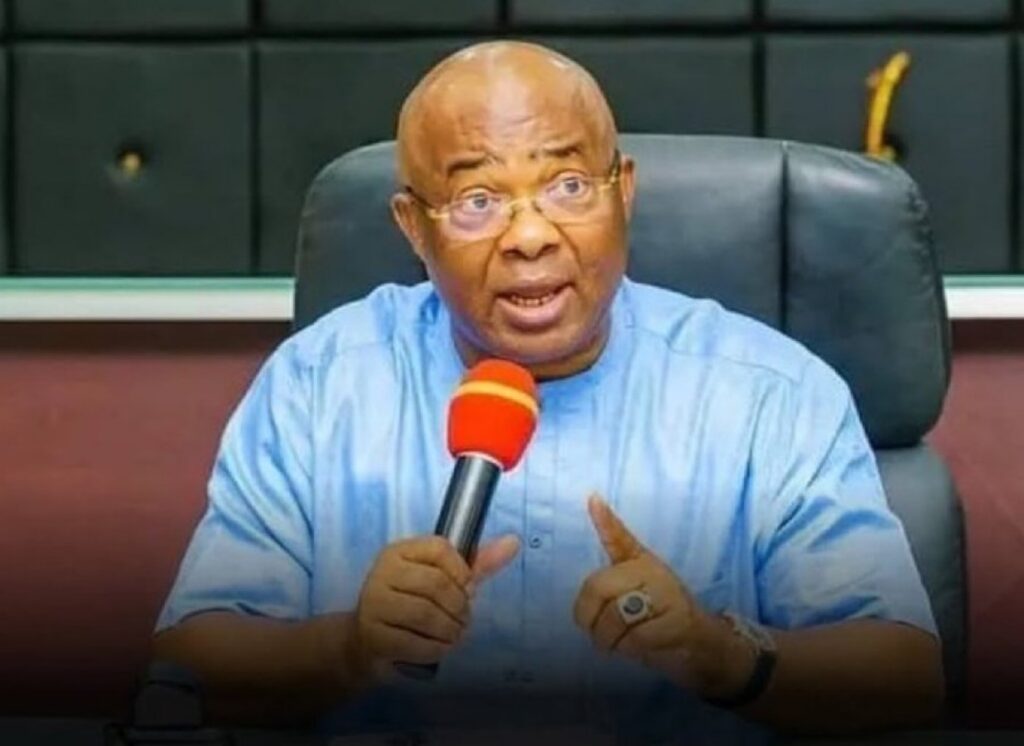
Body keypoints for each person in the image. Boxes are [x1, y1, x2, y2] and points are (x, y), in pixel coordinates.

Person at [153, 41, 943, 741]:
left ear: (623, 191)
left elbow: (904, 676)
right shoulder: (320, 384)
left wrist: (716, 653)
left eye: (568, 185)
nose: (530, 236)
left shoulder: (770, 393)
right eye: (478, 201)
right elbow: (188, 664)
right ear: (413, 227)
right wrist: (349, 646)